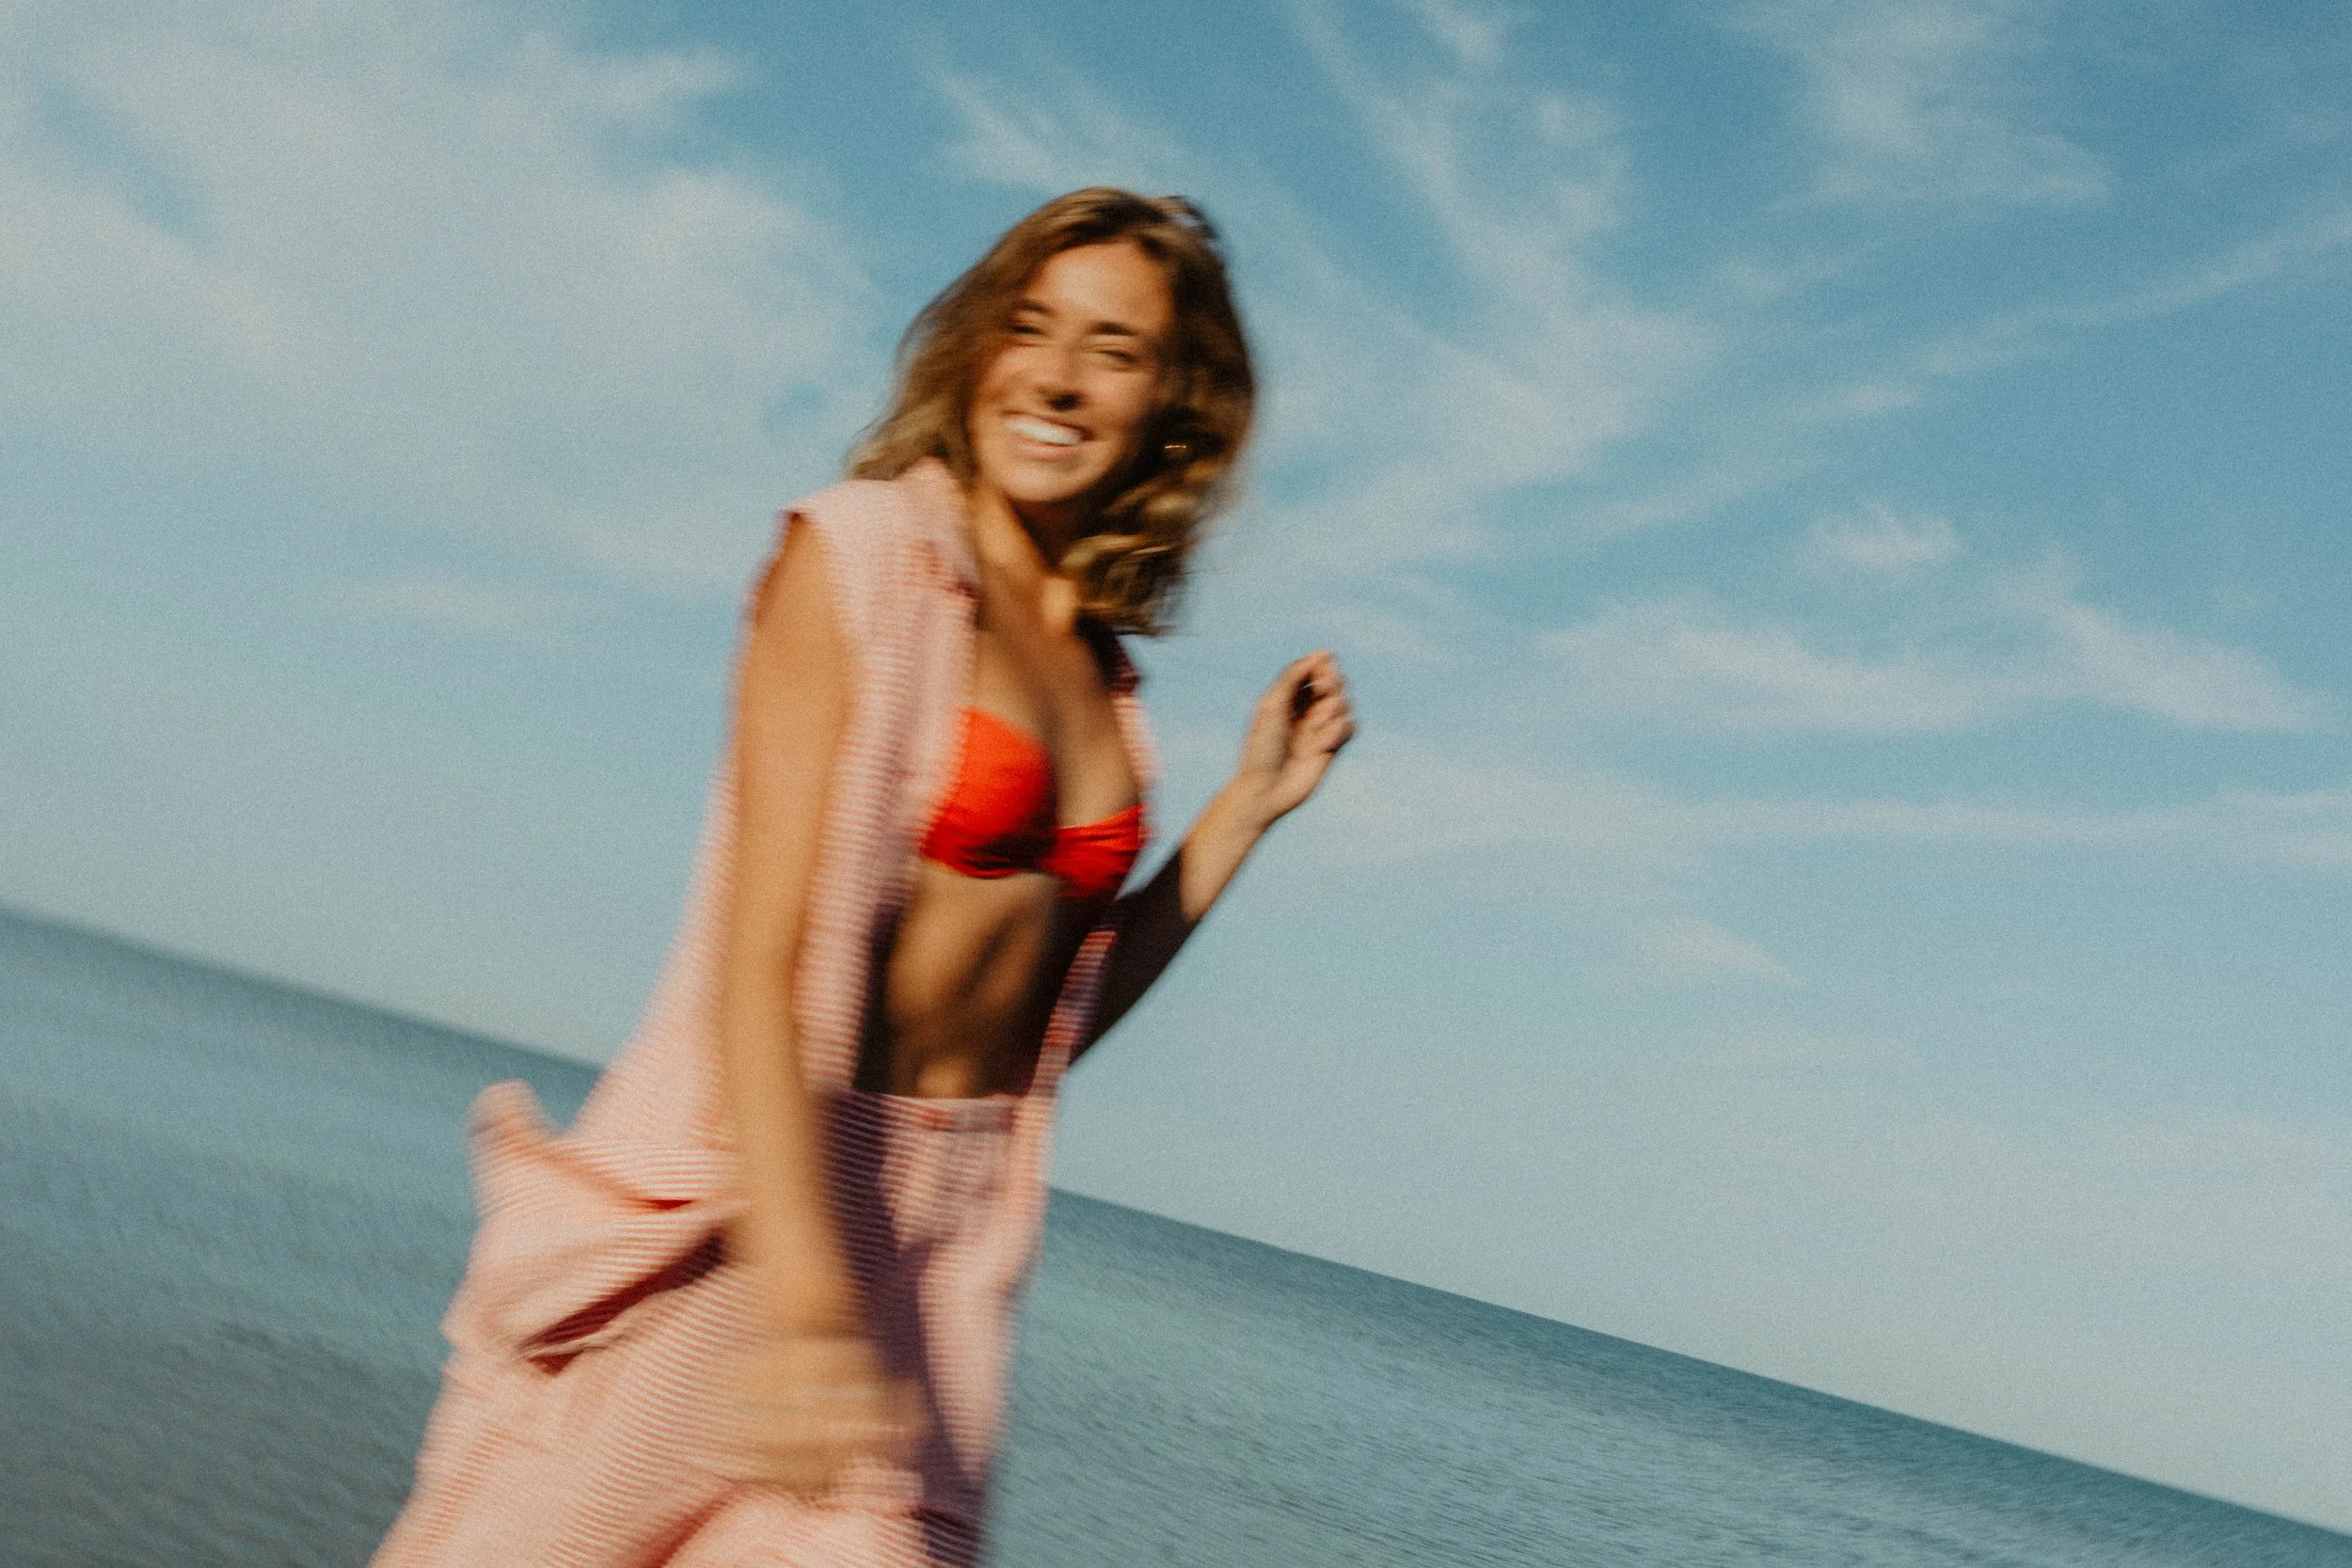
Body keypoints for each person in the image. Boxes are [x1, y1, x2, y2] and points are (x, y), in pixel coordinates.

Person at [371, 187, 1354, 1568]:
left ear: (1175, 408)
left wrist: (1244, 812)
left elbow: (1037, 1034)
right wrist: (802, 1287)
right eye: (1033, 326)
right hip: (741, 1229)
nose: (1060, 378)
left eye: (1115, 350)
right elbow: (761, 962)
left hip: (935, 1259)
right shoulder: (859, 556)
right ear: (978, 344)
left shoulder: (1107, 682)